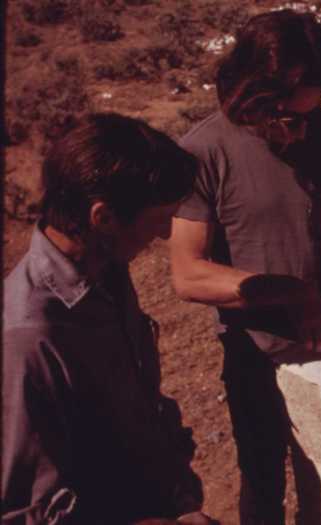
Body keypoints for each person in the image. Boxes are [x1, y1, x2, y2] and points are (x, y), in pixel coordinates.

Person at [169, 9, 321, 525]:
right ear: (250, 92)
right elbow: (187, 273)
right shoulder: (203, 151)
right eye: (282, 114)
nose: (295, 129)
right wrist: (292, 295)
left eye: (306, 112)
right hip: (254, 352)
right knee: (262, 479)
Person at [2, 113, 218, 525]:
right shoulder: (28, 338)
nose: (166, 234)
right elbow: (25, 513)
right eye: (159, 219)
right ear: (103, 217)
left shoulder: (105, 266)